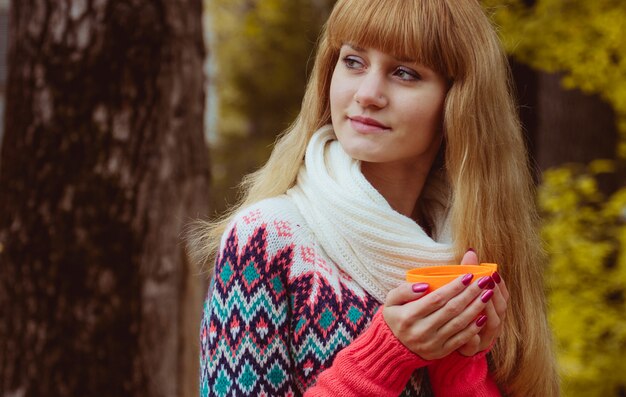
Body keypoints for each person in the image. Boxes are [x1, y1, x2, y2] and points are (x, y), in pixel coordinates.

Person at [189, 0, 560, 395]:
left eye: (404, 72)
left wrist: (458, 360)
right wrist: (385, 355)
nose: (367, 94)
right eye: (353, 62)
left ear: (457, 102)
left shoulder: (470, 247)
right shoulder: (268, 239)